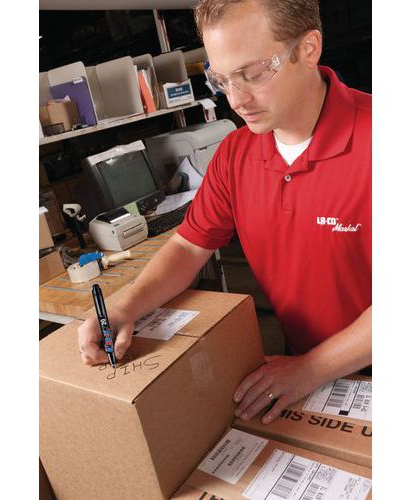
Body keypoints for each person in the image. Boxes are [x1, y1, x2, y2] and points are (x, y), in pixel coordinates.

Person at [78, 0, 371, 425]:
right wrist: (125, 306)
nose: (236, 99)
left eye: (253, 73)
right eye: (221, 80)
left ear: (308, 49)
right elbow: (188, 247)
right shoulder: (236, 153)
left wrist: (310, 369)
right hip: (303, 365)